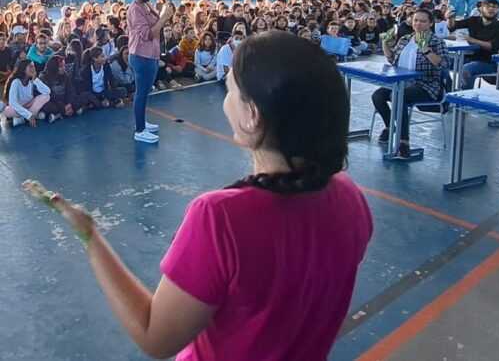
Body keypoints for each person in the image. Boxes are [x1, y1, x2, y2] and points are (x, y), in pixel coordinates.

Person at [32, 30, 373, 361]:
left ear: (252, 116)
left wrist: (91, 237)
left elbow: (155, 335)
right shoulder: (350, 198)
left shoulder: (221, 218)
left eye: (230, 90)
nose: (226, 99)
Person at [372, 9, 449, 159]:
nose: (418, 24)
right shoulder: (405, 39)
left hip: (426, 84)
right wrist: (385, 43)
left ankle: (403, 142)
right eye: (415, 20)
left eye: (423, 21)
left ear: (430, 23)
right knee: (377, 96)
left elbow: (443, 64)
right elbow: (392, 59)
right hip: (401, 82)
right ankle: (390, 127)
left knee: (397, 96)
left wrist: (425, 49)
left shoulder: (436, 41)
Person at [127, 0, 173, 143]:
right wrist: (164, 18)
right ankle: (139, 130)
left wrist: (163, 14)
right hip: (141, 55)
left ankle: (142, 121)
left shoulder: (145, 5)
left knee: (146, 92)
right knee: (141, 93)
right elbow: (147, 34)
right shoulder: (135, 9)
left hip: (151, 54)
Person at [447, 0, 499, 90]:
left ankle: (465, 99)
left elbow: (493, 46)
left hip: (489, 62)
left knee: (467, 69)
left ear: (498, 10)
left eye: (495, 7)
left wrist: (471, 40)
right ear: (481, 8)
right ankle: (448, 92)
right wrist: (450, 18)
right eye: (488, 6)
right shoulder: (473, 20)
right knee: (441, 62)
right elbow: (453, 26)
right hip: (468, 58)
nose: (491, 9)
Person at [3, 60, 50, 127]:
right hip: (18, 109)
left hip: (29, 106)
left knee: (46, 96)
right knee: (7, 111)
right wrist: (29, 115)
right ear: (23, 69)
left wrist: (35, 79)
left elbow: (47, 91)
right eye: (30, 66)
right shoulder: (16, 82)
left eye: (34, 66)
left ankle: (22, 118)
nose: (33, 69)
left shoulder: (31, 81)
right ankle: (29, 116)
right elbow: (12, 103)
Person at [40, 55, 84, 123]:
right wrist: (63, 107)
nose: (64, 68)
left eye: (64, 66)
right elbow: (50, 95)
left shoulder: (65, 75)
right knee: (46, 106)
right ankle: (65, 112)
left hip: (64, 100)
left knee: (80, 98)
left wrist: (69, 103)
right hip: (54, 102)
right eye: (61, 67)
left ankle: (59, 115)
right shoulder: (44, 77)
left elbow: (70, 91)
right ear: (54, 67)